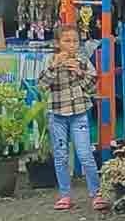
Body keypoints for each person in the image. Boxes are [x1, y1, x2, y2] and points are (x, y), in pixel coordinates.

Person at [37, 24, 107, 211]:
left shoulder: (83, 60)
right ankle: (65, 195)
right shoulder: (50, 60)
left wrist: (80, 73)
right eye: (67, 41)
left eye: (75, 41)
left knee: (85, 154)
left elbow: (93, 88)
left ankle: (96, 194)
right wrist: (54, 66)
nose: (71, 45)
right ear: (58, 43)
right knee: (60, 156)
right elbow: (41, 85)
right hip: (57, 114)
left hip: (79, 113)